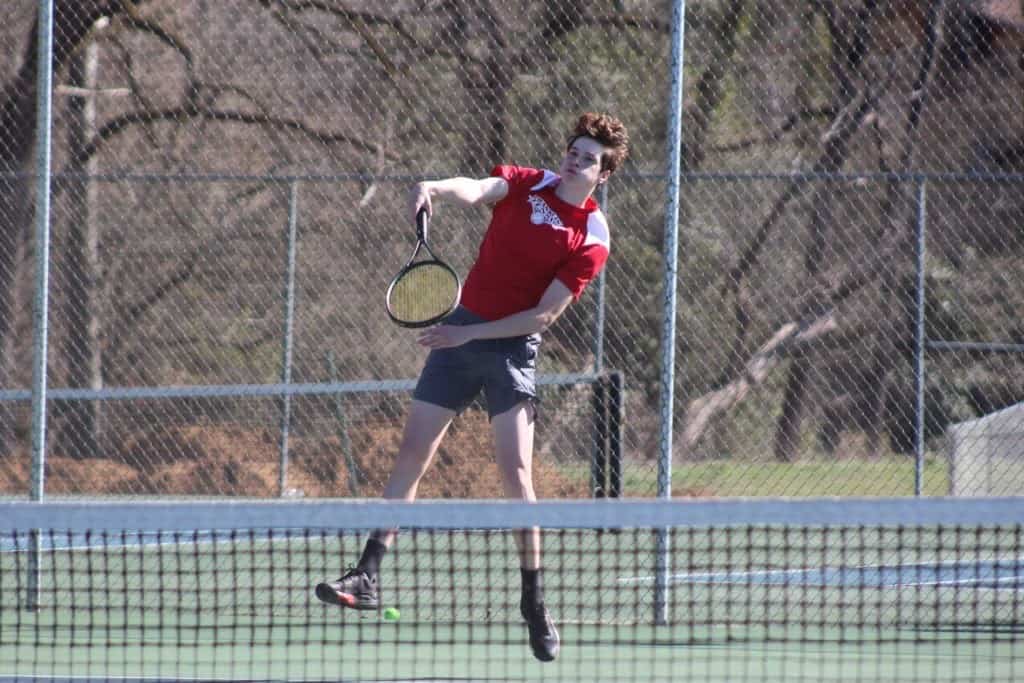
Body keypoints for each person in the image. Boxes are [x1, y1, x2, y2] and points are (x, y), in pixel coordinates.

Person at [315, 112, 629, 663]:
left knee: (517, 476)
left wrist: (470, 333)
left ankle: (534, 602)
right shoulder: (530, 182)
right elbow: (479, 188)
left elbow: (542, 317)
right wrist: (433, 186)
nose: (574, 160)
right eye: (572, 150)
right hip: (462, 333)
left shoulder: (592, 236)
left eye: (587, 158)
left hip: (509, 347)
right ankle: (366, 575)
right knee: (412, 454)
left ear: (603, 174)